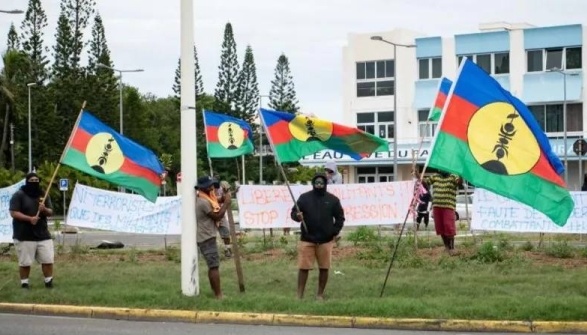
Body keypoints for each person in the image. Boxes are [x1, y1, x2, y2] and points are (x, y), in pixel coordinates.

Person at [291, 173, 345, 300]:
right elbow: (294, 213)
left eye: (321, 183)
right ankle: (299, 295)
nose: (319, 185)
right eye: (317, 183)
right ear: (313, 184)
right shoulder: (304, 198)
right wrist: (297, 216)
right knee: (303, 267)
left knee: (324, 268)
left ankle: (320, 294)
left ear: (325, 184)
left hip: (325, 240)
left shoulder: (333, 200)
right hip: (307, 239)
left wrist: (334, 232)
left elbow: (340, 218)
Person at [9, 172, 54, 289]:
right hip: (24, 234)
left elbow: (50, 212)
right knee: (25, 263)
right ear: (27, 181)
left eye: (36, 181)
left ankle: (49, 282)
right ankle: (24, 284)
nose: (34, 183)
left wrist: (44, 209)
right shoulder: (19, 195)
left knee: (48, 259)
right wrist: (29, 219)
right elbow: (13, 212)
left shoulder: (44, 194)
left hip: (43, 234)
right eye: (32, 181)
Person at [195, 175, 232, 299]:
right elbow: (217, 216)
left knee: (213, 265)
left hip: (208, 235)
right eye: (210, 185)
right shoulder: (203, 201)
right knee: (214, 266)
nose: (212, 187)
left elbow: (217, 201)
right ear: (204, 187)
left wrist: (224, 198)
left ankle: (215, 292)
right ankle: (218, 295)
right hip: (206, 237)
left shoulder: (207, 197)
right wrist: (226, 203)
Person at [414, 169, 461, 255]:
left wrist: (461, 175)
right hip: (437, 206)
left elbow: (459, 183)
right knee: (440, 228)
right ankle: (446, 247)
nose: (442, 169)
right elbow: (425, 183)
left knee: (449, 227)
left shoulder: (453, 176)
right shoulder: (435, 176)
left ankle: (452, 248)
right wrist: (418, 175)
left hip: (448, 206)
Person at [213, 175, 233, 258]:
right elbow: (217, 199)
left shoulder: (221, 188)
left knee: (226, 232)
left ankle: (227, 250)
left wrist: (228, 192)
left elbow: (226, 196)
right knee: (210, 235)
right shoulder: (208, 191)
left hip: (221, 213)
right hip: (211, 214)